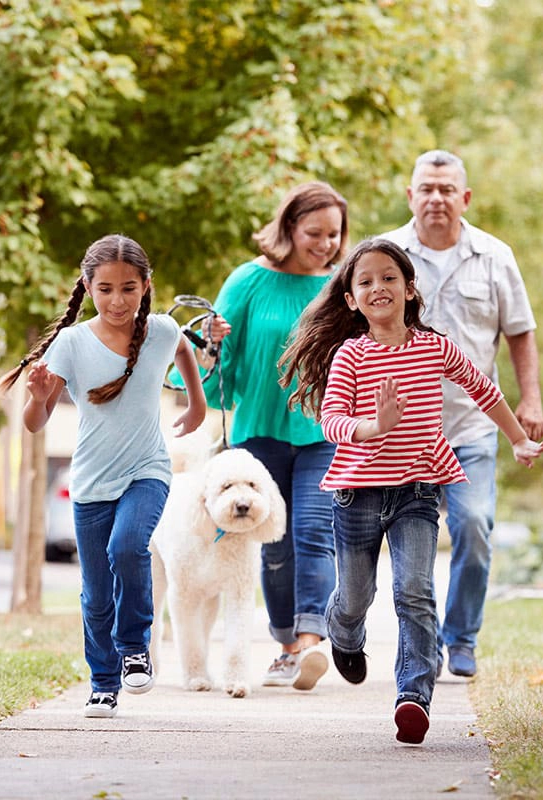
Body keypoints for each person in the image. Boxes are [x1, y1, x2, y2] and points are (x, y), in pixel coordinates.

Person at [278, 237, 543, 744]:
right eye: (365, 281)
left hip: (417, 490)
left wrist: (517, 440)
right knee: (356, 595)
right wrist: (372, 427)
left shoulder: (434, 347)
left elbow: (483, 389)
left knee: (415, 591)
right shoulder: (350, 356)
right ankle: (344, 634)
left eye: (388, 277)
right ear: (352, 300)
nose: (378, 287)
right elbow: (332, 419)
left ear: (408, 288)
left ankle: (413, 696)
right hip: (358, 492)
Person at [0, 234, 207, 718]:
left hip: (146, 470)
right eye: (106, 288)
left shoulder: (161, 330)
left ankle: (136, 648)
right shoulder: (71, 343)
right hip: (90, 481)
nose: (118, 300)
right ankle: (103, 683)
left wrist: (196, 403)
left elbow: (184, 352)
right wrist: (37, 395)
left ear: (146, 285)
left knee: (127, 548)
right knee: (94, 593)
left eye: (129, 288)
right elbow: (35, 423)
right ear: (88, 286)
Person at [381, 150, 543, 679]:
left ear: (465, 197)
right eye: (426, 188)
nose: (435, 198)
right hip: (404, 432)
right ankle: (421, 648)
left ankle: (462, 637)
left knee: (474, 526)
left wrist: (530, 400)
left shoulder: (496, 256)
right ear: (410, 196)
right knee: (409, 547)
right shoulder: (386, 257)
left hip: (474, 425)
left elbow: (519, 330)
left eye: (446, 189)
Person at [189, 181, 349, 691]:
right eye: (314, 232)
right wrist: (209, 345)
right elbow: (218, 369)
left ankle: (309, 642)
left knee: (312, 532)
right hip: (259, 430)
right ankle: (284, 644)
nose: (325, 244)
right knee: (274, 545)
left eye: (333, 234)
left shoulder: (340, 287)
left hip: (324, 428)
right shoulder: (248, 281)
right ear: (289, 227)